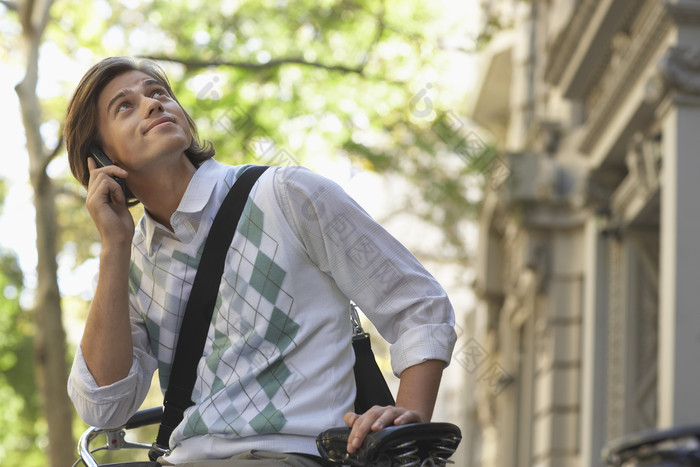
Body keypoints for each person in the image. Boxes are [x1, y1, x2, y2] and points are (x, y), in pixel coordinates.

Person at [65, 56, 457, 466]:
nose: (152, 103)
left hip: (294, 453)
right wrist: (114, 248)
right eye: (124, 106)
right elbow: (103, 408)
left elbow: (418, 303)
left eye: (158, 92)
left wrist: (408, 424)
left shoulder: (289, 195)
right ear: (99, 158)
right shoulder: (130, 262)